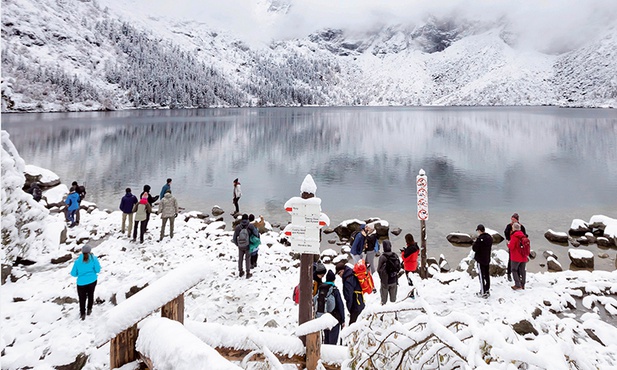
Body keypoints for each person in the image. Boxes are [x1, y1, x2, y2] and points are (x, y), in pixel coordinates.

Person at [70, 245, 101, 321]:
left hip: (81, 283)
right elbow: (98, 270)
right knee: (91, 294)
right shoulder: (94, 259)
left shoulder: (77, 261)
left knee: (82, 298)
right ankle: (89, 309)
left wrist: (80, 274)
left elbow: (73, 273)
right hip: (92, 280)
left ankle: (82, 313)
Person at [317, 270, 345, 345]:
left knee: (326, 339)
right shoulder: (334, 290)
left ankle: (325, 355)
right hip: (334, 318)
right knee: (332, 342)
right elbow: (340, 305)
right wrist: (342, 320)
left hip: (324, 317)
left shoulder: (321, 289)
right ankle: (331, 355)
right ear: (334, 280)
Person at [232, 213, 258, 279]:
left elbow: (234, 238)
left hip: (240, 246)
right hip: (248, 246)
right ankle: (248, 273)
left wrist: (237, 244)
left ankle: (240, 272)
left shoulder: (238, 227)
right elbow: (256, 234)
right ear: (247, 219)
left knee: (240, 259)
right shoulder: (250, 226)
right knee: (247, 259)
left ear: (242, 219)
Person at [504, 213, 527, 282]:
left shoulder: (521, 227)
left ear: (517, 220)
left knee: (520, 261)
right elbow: (506, 232)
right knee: (511, 259)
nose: (512, 221)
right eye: (512, 219)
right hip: (512, 244)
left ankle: (519, 275)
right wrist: (509, 240)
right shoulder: (509, 226)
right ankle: (509, 273)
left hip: (520, 246)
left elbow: (524, 235)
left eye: (514, 220)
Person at [472, 224, 493, 298]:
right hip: (487, 258)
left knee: (481, 276)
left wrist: (475, 242)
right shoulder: (489, 238)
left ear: (479, 230)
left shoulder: (480, 239)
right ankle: (487, 290)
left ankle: (483, 292)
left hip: (480, 259)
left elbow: (475, 249)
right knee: (487, 275)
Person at [377, 240, 400, 305]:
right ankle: (394, 311)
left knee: (384, 299)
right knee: (393, 299)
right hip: (394, 280)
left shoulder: (382, 257)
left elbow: (379, 270)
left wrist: (382, 278)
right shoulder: (395, 255)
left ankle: (383, 311)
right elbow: (399, 267)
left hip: (385, 282)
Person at [508, 223, 528, 290]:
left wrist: (508, 244)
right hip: (523, 256)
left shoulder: (514, 236)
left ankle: (517, 284)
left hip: (516, 257)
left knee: (514, 270)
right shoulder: (523, 236)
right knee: (522, 270)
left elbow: (511, 247)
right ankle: (523, 284)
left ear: (513, 228)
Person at [401, 233, 420, 298]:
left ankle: (412, 294)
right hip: (414, 265)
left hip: (409, 267)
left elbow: (405, 258)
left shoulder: (409, 249)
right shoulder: (416, 246)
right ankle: (416, 291)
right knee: (414, 279)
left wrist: (403, 252)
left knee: (410, 281)